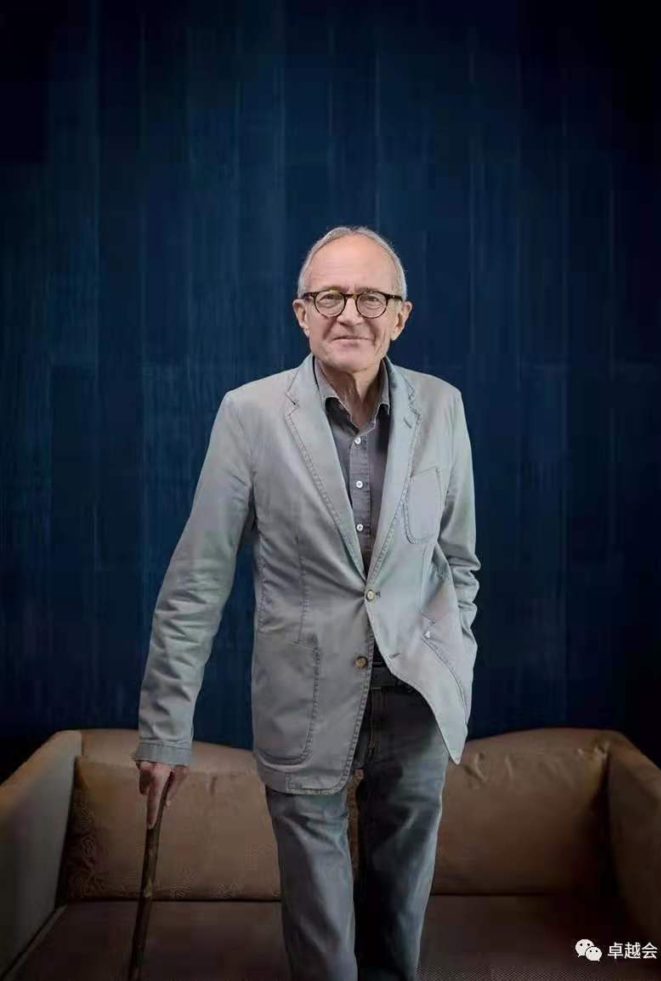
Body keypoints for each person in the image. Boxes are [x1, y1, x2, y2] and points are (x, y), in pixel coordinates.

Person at [132, 224, 481, 981]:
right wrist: (165, 730)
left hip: (417, 696)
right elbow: (197, 580)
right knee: (324, 944)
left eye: (370, 298)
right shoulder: (250, 414)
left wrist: (455, 648)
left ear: (400, 316)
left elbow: (459, 559)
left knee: (398, 923)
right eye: (329, 297)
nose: (349, 313)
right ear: (301, 313)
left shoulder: (444, 407)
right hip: (303, 697)